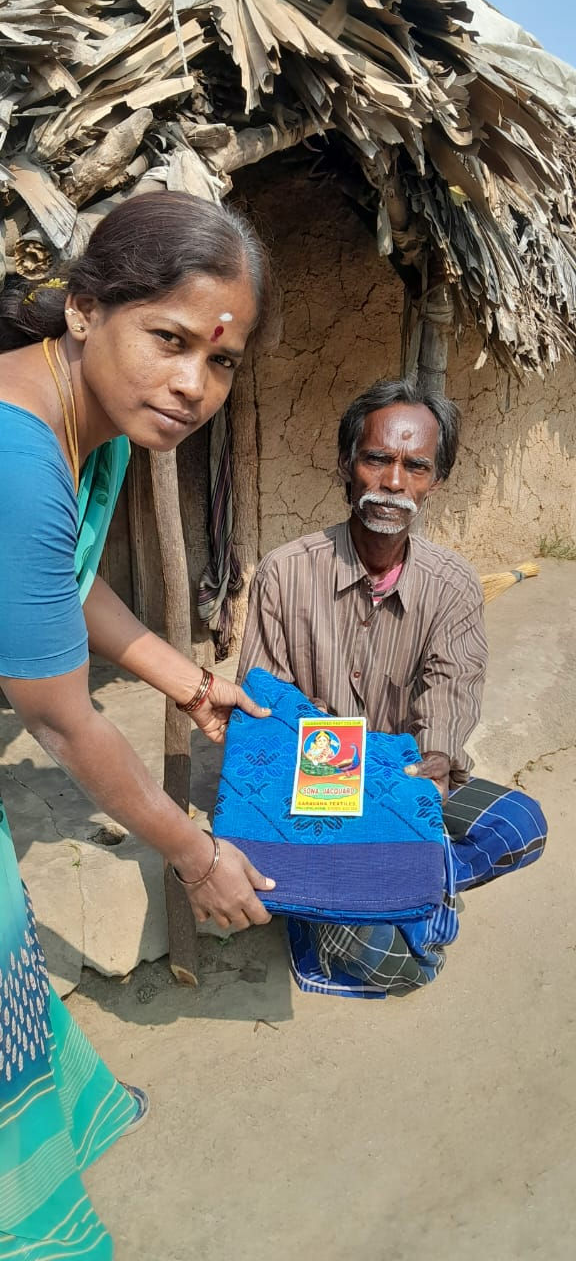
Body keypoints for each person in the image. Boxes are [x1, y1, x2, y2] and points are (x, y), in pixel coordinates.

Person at [0, 191, 277, 1258]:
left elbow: (56, 585)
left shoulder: (81, 418)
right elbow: (64, 725)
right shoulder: (21, 460)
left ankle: (63, 1119)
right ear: (80, 310)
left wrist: (179, 675)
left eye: (222, 362)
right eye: (169, 340)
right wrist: (194, 852)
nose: (193, 385)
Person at [238, 379, 547, 997]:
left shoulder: (453, 583)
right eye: (376, 458)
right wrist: (324, 769)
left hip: (402, 784)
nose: (393, 482)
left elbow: (452, 689)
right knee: (393, 966)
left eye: (416, 465)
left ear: (437, 479)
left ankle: (399, 893)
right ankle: (367, 904)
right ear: (347, 466)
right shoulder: (284, 572)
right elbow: (263, 711)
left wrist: (434, 763)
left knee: (520, 825)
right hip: (316, 792)